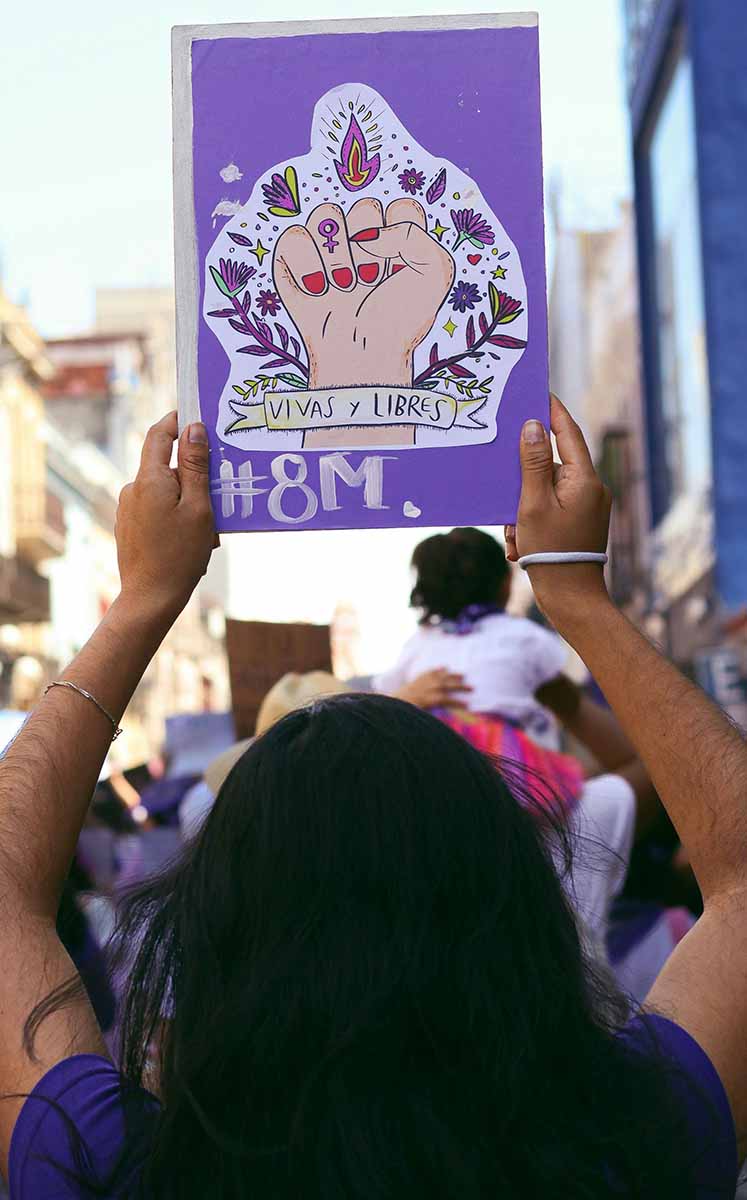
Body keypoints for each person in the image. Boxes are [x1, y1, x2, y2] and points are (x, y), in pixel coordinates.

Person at [1, 404, 745, 1198]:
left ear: (211, 922)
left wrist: (144, 597)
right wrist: (580, 598)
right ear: (517, 892)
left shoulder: (111, 1167)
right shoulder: (637, 1139)